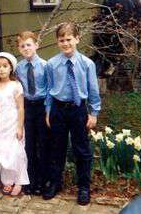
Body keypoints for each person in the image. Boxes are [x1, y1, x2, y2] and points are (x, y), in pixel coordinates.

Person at [42, 22, 101, 205]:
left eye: (69, 39)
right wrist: (48, 111)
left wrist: (94, 113)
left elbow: (93, 90)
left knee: (81, 150)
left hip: (78, 110)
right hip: (58, 110)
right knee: (56, 148)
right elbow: (48, 89)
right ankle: (55, 183)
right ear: (57, 42)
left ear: (77, 39)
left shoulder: (87, 64)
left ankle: (83, 187)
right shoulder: (51, 64)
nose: (66, 44)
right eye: (62, 40)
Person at [0, 52, 30, 196]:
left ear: (10, 68)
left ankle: (19, 181)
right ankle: (7, 180)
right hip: (1, 123)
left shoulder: (15, 85)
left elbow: (20, 107)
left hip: (13, 122)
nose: (2, 69)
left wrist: (19, 127)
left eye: (5, 66)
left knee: (16, 152)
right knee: (3, 152)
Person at [15, 31, 50, 195]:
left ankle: (43, 181)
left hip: (42, 106)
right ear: (19, 49)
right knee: (29, 145)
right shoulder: (18, 68)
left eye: (29, 44)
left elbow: (50, 90)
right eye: (22, 46)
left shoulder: (45, 65)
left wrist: (49, 111)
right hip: (27, 107)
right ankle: (30, 180)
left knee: (43, 144)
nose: (26, 48)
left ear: (36, 45)